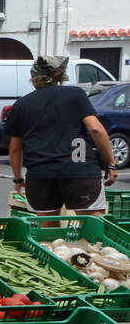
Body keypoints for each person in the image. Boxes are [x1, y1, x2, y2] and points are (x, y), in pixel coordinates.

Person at [7, 55, 117, 219]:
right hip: (79, 171)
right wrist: (111, 163)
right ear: (60, 76)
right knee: (91, 225)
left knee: (49, 231)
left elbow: (15, 149)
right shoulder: (75, 94)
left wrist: (18, 179)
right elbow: (95, 129)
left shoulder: (21, 105)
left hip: (40, 174)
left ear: (34, 78)